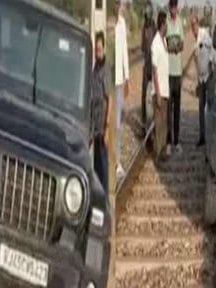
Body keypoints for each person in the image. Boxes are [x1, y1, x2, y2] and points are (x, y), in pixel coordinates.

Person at [183, 17, 216, 146]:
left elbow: (213, 54)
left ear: (198, 24)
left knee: (208, 109)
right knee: (201, 108)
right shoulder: (195, 42)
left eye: (194, 25)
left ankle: (210, 138)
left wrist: (212, 67)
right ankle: (202, 137)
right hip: (201, 80)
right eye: (191, 26)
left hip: (208, 78)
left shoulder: (205, 36)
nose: (193, 28)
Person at [91, 31, 112, 194]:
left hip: (102, 126)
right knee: (96, 164)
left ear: (104, 48)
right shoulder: (95, 67)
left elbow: (109, 99)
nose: (97, 52)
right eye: (96, 49)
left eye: (99, 49)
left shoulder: (105, 69)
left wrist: (107, 128)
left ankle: (104, 198)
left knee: (103, 166)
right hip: (95, 126)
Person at [113, 0, 130, 180]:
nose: (117, 6)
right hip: (106, 80)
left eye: (118, 3)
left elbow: (124, 49)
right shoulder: (108, 23)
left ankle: (117, 162)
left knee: (117, 124)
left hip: (118, 80)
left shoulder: (122, 23)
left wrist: (127, 77)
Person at [166, 0, 184, 155]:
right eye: (172, 6)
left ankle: (176, 141)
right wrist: (171, 47)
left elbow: (182, 44)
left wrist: (177, 46)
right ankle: (167, 141)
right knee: (168, 110)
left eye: (175, 6)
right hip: (168, 72)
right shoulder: (165, 23)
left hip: (178, 72)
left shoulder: (179, 22)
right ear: (169, 7)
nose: (174, 9)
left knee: (177, 110)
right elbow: (166, 45)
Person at [152, 10, 170, 158]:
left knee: (164, 124)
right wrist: (157, 93)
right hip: (159, 91)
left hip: (166, 90)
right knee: (159, 125)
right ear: (162, 25)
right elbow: (154, 70)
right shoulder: (155, 44)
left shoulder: (164, 41)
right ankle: (158, 154)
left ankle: (163, 151)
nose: (168, 27)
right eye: (166, 24)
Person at [140, 2, 155, 129]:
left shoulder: (155, 27)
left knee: (154, 93)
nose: (146, 18)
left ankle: (154, 118)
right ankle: (144, 120)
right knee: (144, 91)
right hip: (146, 64)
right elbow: (142, 47)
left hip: (154, 63)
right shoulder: (144, 27)